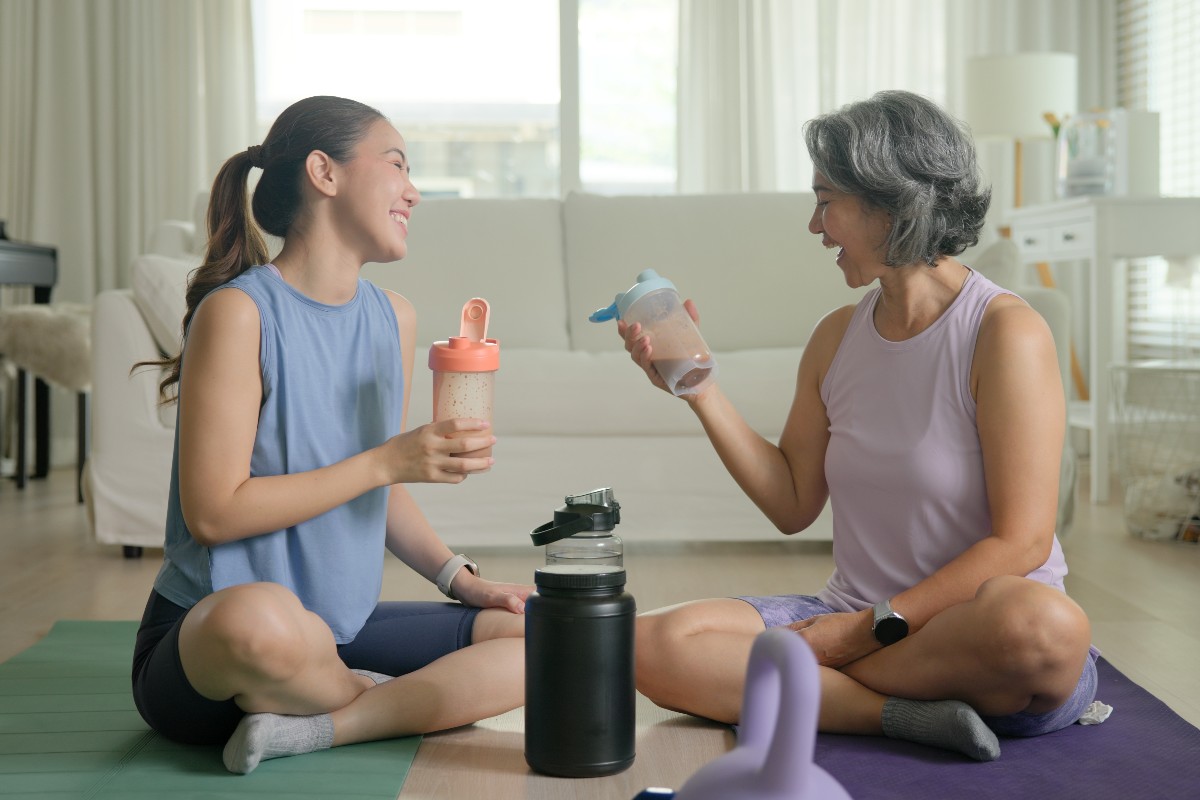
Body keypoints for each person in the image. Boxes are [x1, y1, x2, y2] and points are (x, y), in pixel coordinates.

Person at [619, 90, 1095, 762]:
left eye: (826, 201)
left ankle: (807, 685)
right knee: (650, 645)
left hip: (968, 634)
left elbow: (1023, 542)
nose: (815, 226)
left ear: (892, 203)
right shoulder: (835, 338)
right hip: (853, 616)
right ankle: (896, 715)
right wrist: (700, 389)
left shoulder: (1003, 332)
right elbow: (792, 503)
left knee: (1040, 627)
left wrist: (860, 634)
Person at [130, 96, 531, 775]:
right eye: (398, 164)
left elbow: (373, 485)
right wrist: (388, 460)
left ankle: (316, 727)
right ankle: (365, 698)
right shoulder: (239, 314)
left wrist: (459, 579)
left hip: (340, 629)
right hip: (218, 640)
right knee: (255, 618)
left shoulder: (392, 318)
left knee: (539, 639)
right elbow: (214, 512)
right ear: (325, 172)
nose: (415, 191)